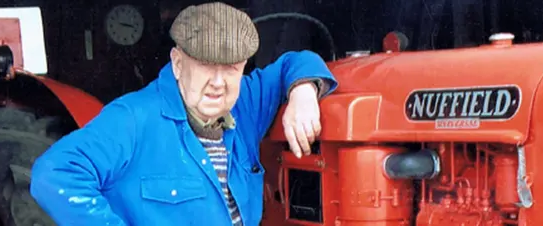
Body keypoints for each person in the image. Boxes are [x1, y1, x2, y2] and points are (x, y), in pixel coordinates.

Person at [28, 2, 339, 226]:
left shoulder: (246, 102)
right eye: (205, 66)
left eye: (230, 68)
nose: (218, 83)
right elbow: (53, 175)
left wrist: (303, 91)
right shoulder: (133, 118)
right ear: (178, 63)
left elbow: (295, 61)